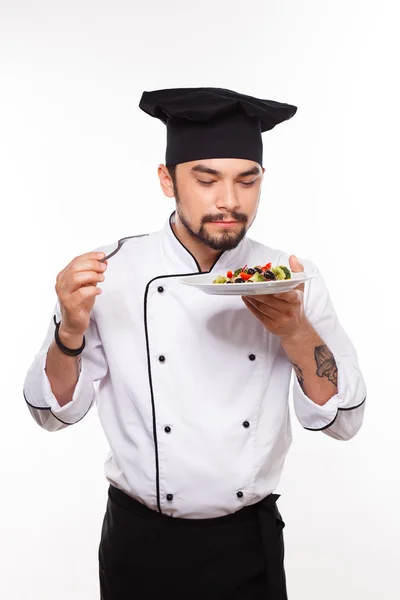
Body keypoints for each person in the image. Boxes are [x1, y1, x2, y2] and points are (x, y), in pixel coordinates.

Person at [23, 87, 367, 599]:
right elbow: (52, 415)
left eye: (246, 181)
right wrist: (69, 330)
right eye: (207, 180)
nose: (229, 200)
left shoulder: (289, 276)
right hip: (139, 543)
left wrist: (296, 331)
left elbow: (345, 421)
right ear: (168, 180)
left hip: (248, 542)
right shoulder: (107, 272)